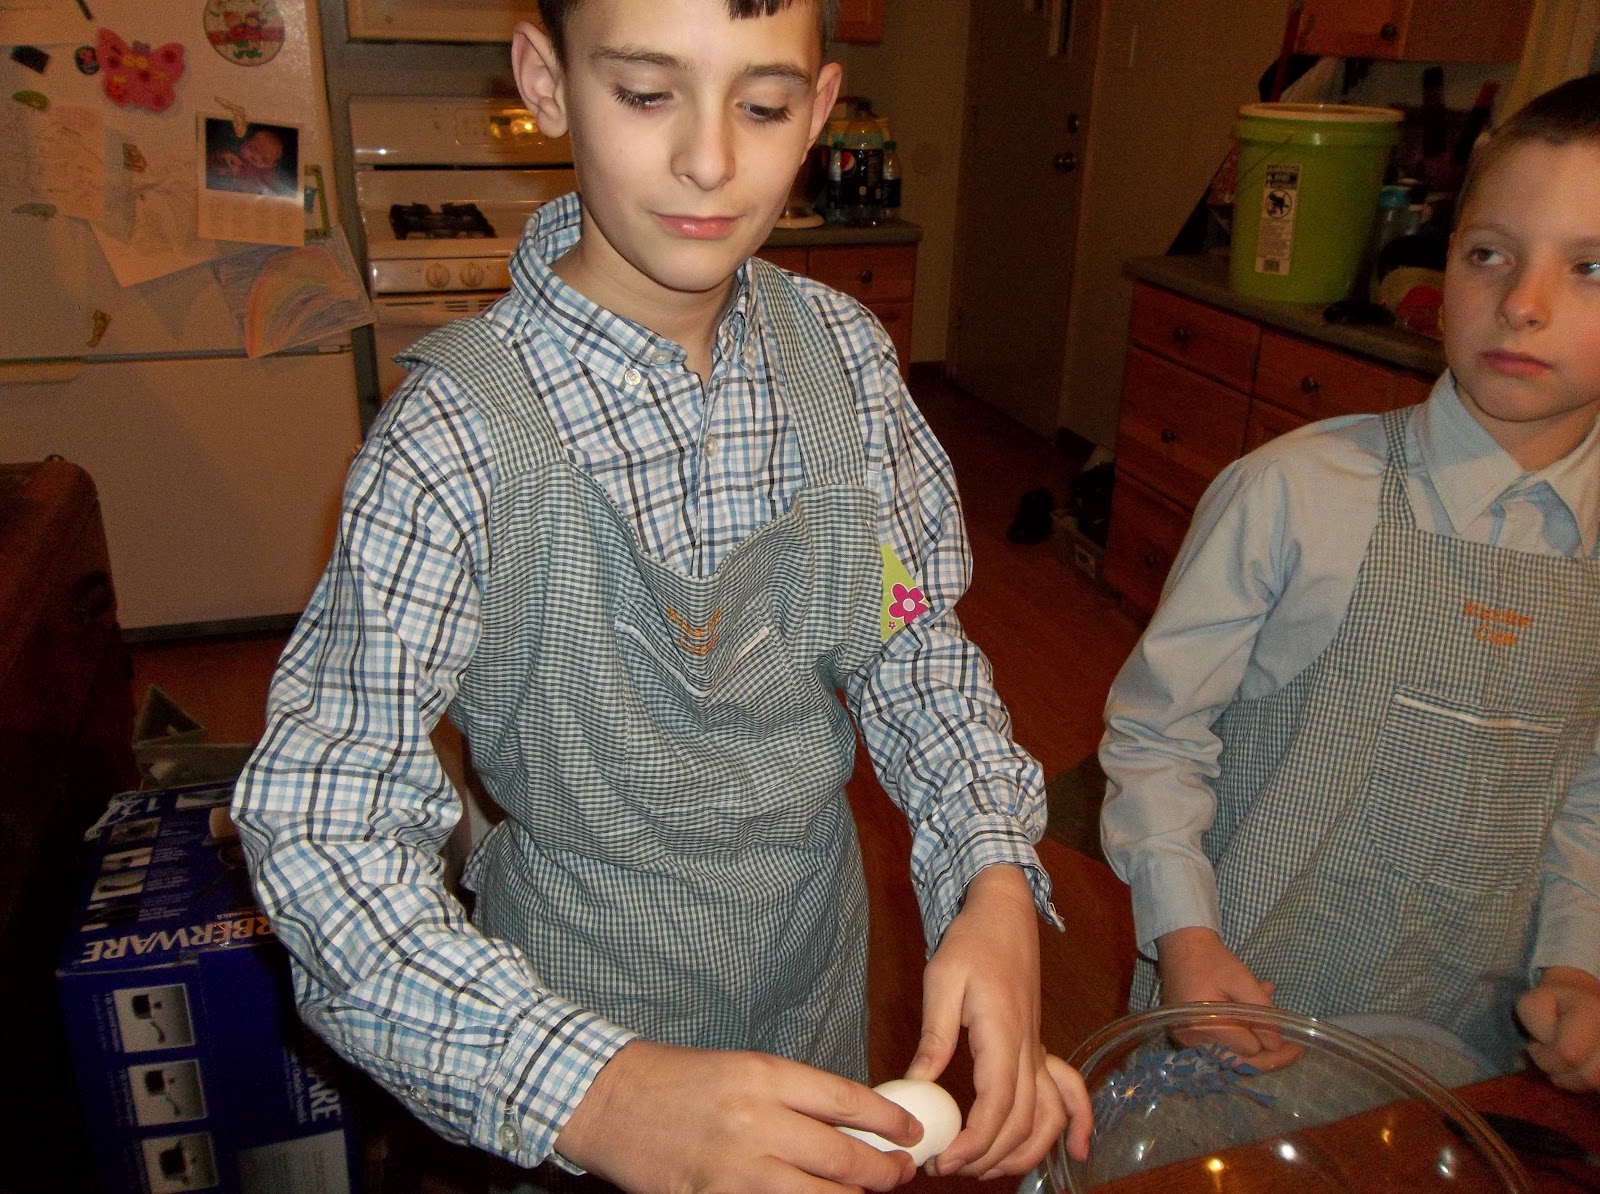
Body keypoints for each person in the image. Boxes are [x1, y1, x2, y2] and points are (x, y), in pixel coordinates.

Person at [232, 1, 1092, 1190]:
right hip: (575, 1031)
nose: (710, 159)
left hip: (813, 976)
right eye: (646, 95)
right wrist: (592, 1093)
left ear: (821, 110)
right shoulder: (449, 445)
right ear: (546, 80)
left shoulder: (844, 361)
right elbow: (322, 825)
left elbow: (906, 639)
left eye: (763, 104)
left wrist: (989, 871)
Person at [1099, 72, 1600, 1092]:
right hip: (1238, 1002)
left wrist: (1578, 966)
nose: (1522, 304)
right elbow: (1156, 734)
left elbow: (1587, 793)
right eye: (1488, 254)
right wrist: (1184, 935)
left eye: (1592, 267)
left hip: (1460, 1048)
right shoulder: (1294, 492)